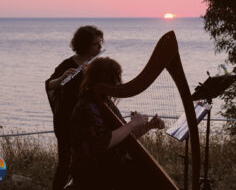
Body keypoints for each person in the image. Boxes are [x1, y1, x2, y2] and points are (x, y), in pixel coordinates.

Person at [69, 57, 165, 190]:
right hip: (91, 170)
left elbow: (124, 136)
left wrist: (149, 126)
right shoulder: (87, 105)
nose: (118, 83)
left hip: (107, 165)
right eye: (116, 78)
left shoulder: (103, 101)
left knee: (150, 176)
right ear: (106, 80)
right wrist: (132, 124)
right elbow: (104, 141)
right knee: (148, 179)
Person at [45, 25, 104, 190]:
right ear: (84, 45)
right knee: (65, 162)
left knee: (88, 162)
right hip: (66, 120)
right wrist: (62, 77)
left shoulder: (97, 65)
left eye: (101, 43)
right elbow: (50, 84)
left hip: (87, 120)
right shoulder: (68, 64)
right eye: (95, 44)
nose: (100, 47)